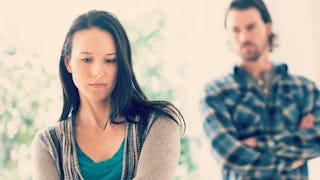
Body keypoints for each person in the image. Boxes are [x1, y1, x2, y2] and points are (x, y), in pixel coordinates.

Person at [32, 10, 185, 180]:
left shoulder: (158, 124)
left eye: (110, 60)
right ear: (68, 63)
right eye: (87, 60)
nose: (98, 72)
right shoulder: (48, 144)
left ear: (123, 64)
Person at [201, 0, 320, 179]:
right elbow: (230, 155)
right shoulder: (215, 93)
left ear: (268, 27)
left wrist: (257, 143)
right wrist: (291, 157)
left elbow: (316, 140)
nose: (243, 37)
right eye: (236, 30)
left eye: (250, 27)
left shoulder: (304, 88)